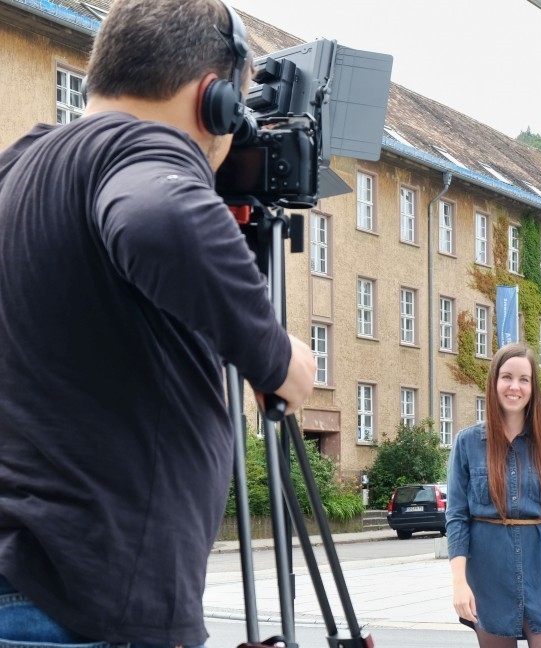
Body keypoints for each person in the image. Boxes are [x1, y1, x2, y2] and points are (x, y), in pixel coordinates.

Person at [0, 1, 317, 646]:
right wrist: (275, 356)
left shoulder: (17, 168)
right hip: (93, 606)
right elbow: (156, 218)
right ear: (216, 99)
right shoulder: (142, 151)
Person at [447, 343, 541, 647]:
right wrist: (459, 583)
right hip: (489, 574)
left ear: (532, 387)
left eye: (524, 379)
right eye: (507, 377)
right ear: (494, 382)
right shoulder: (467, 443)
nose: (514, 386)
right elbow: (457, 518)